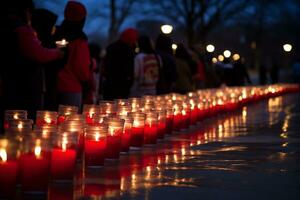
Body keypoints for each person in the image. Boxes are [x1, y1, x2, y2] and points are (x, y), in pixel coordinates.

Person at [1, 0, 63, 120]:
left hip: (11, 81)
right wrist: (57, 53)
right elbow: (38, 53)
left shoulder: (9, 27)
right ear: (25, 11)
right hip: (25, 83)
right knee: (25, 117)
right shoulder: (22, 30)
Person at [56, 1, 91, 109]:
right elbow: (81, 66)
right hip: (71, 87)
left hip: (53, 85)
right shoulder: (79, 40)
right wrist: (87, 77)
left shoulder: (56, 33)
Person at [31, 8, 61, 111]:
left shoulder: (50, 41)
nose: (54, 28)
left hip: (49, 86)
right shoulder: (37, 43)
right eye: (52, 25)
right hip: (37, 86)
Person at [103, 28, 138, 100]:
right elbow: (129, 69)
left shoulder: (111, 47)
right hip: (122, 84)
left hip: (109, 83)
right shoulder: (128, 51)